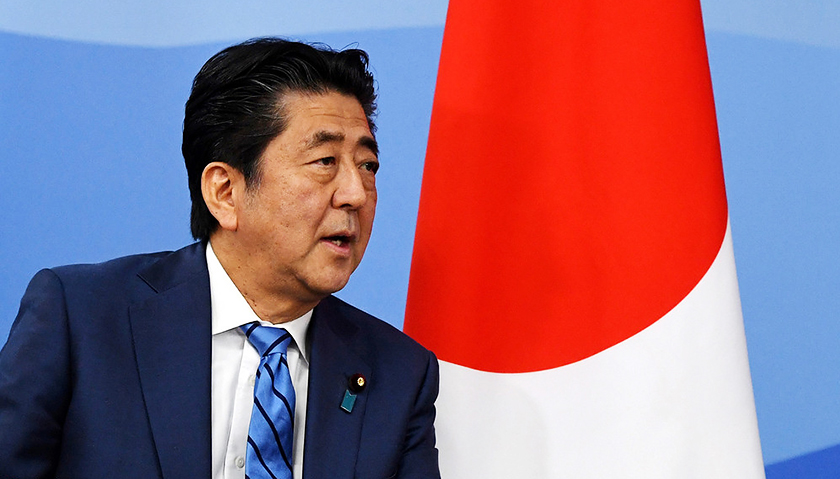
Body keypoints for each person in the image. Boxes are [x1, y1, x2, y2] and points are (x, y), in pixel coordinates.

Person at [0, 38, 441, 479]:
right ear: (225, 192)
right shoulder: (82, 319)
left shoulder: (399, 374)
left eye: (367, 165)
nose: (356, 194)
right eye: (325, 160)